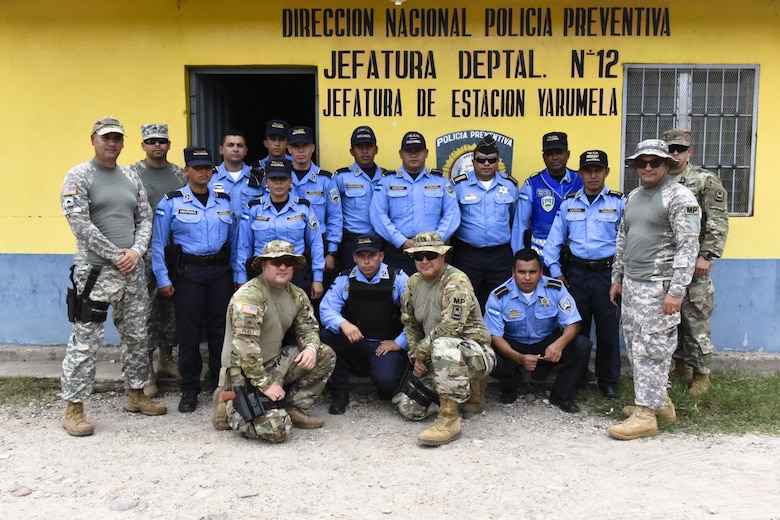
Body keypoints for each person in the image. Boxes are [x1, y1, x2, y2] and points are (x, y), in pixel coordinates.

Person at [59, 116, 167, 436]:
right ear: (93, 139)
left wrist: (135, 251)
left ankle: (136, 395)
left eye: (117, 138)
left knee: (137, 335)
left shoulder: (130, 177)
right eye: (106, 137)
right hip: (96, 272)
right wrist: (116, 254)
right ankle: (74, 408)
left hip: (131, 269)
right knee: (86, 340)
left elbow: (145, 218)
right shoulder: (79, 176)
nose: (112, 143)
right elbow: (80, 224)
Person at [608, 139, 701, 441]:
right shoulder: (634, 196)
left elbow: (689, 246)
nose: (647, 167)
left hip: (659, 287)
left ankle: (645, 414)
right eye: (642, 162)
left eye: (655, 162)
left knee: (653, 349)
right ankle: (660, 403)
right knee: (637, 346)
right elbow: (624, 238)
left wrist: (676, 291)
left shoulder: (678, 196)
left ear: (667, 165)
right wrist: (617, 278)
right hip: (634, 284)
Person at [213, 240, 336, 443]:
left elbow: (309, 329)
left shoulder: (296, 294)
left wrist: (311, 348)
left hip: (273, 363)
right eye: (275, 262)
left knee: (324, 354)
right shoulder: (250, 296)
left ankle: (293, 407)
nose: (282, 267)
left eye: (288, 262)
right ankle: (227, 401)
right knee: (277, 431)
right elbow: (245, 348)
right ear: (263, 266)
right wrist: (265, 384)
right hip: (243, 372)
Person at [151, 146, 235, 413]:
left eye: (207, 168)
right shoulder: (171, 202)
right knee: (189, 333)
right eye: (197, 168)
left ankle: (217, 381)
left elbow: (236, 241)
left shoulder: (223, 201)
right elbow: (158, 245)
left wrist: (237, 274)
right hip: (189, 274)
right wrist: (163, 278)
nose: (203, 172)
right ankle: (189, 388)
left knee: (220, 330)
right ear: (186, 170)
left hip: (220, 273)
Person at [395, 232, 495, 446]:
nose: (424, 261)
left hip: (474, 352)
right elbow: (410, 324)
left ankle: (450, 419)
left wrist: (422, 353)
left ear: (442, 255)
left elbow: (451, 327)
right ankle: (454, 392)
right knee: (409, 408)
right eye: (418, 256)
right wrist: (415, 357)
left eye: (430, 255)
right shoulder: (412, 283)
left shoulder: (456, 281)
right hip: (435, 354)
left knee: (443, 344)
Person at [543, 150, 625, 399]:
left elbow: (628, 243)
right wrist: (556, 273)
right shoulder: (569, 204)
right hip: (577, 275)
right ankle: (577, 376)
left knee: (608, 330)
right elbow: (553, 242)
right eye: (587, 171)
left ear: (606, 172)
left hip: (607, 276)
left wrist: (619, 278)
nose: (592, 176)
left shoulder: (619, 203)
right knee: (576, 328)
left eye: (597, 170)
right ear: (580, 174)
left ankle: (608, 380)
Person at [663, 129, 730, 395]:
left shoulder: (704, 180)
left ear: (689, 151)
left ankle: (702, 374)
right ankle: (680, 366)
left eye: (680, 149)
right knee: (672, 319)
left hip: (694, 263)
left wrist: (707, 255)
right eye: (671, 148)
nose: (675, 153)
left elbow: (718, 221)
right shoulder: (659, 179)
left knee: (696, 319)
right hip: (666, 263)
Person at [485, 248, 591, 412]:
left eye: (532, 272)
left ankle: (562, 395)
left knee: (582, 344)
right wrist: (519, 358)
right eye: (522, 272)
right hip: (514, 345)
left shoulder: (555, 288)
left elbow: (573, 324)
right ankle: (510, 386)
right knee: (488, 351)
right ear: (513, 272)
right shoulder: (498, 296)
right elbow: (495, 336)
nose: (527, 277)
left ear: (541, 272)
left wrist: (559, 345)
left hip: (545, 341)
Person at [319, 234, 410, 414]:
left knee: (386, 382)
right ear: (354, 258)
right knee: (327, 335)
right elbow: (326, 310)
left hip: (384, 345)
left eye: (371, 256)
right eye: (361, 257)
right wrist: (343, 323)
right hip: (356, 341)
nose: (366, 262)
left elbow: (414, 317)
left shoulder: (398, 278)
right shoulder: (344, 279)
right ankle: (339, 393)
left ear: (381, 256)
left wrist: (399, 343)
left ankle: (385, 382)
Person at [130, 123, 186, 397]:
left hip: (172, 250)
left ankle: (167, 358)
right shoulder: (131, 174)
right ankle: (147, 370)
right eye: (151, 141)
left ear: (169, 144)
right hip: (142, 252)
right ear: (143, 145)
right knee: (145, 311)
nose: (157, 145)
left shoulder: (179, 174)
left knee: (171, 307)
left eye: (162, 141)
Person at [370, 132, 461, 274]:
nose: (413, 155)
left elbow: (452, 214)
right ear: (401, 153)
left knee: (432, 294)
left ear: (426, 153)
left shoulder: (441, 181)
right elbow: (377, 215)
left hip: (432, 253)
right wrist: (401, 241)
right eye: (408, 151)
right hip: (397, 251)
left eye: (417, 151)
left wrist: (432, 241)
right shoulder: (387, 181)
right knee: (398, 294)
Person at [235, 159, 325, 300]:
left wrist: (318, 278)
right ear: (266, 181)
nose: (278, 183)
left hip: (295, 273)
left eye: (282, 179)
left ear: (290, 181)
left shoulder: (303, 208)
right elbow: (244, 245)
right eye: (273, 178)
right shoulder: (253, 208)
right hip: (262, 274)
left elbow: (316, 243)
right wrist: (241, 278)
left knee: (298, 318)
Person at [450, 134, 518, 310]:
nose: (486, 164)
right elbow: (451, 218)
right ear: (473, 162)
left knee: (503, 301)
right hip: (467, 255)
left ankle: (499, 338)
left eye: (491, 160)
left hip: (500, 256)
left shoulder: (510, 186)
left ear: (497, 161)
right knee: (464, 301)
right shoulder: (459, 186)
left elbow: (514, 219)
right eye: (481, 159)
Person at [287, 125, 342, 284]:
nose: (301, 151)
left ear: (313, 148)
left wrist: (331, 252)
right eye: (296, 146)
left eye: (305, 146)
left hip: (320, 246)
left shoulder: (326, 179)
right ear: (289, 149)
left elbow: (335, 217)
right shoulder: (280, 178)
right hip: (291, 246)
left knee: (319, 294)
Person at [511, 132, 583, 254]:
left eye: (559, 152)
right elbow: (520, 226)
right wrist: (519, 257)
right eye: (550, 153)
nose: (554, 157)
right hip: (542, 257)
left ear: (568, 154)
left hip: (576, 257)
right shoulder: (532, 185)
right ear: (543, 156)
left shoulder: (581, 181)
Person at [208, 129, 265, 284]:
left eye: (239, 145)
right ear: (221, 149)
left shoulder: (259, 178)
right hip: (220, 248)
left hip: (251, 246)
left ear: (246, 151)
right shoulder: (209, 178)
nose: (235, 149)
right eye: (230, 145)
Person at [332, 125, 388, 268]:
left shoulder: (387, 177)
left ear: (376, 149)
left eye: (369, 146)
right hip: (353, 243)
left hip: (382, 242)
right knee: (351, 287)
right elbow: (334, 215)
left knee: (382, 287)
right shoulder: (341, 178)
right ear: (352, 151)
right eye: (359, 146)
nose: (364, 151)